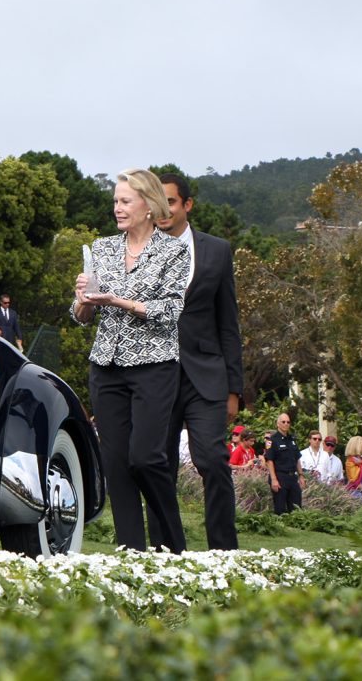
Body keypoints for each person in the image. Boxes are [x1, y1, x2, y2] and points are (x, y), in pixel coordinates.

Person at [71, 168, 190, 552]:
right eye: (115, 202)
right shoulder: (101, 248)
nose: (117, 209)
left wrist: (116, 300)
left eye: (125, 201)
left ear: (148, 205)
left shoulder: (174, 251)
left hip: (155, 365)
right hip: (106, 366)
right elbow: (82, 317)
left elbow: (170, 311)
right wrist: (83, 299)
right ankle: (131, 552)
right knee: (117, 465)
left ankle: (172, 544)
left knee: (146, 458)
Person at [157, 173, 244, 550]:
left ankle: (223, 551)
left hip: (206, 377)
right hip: (155, 376)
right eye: (158, 204)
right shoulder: (139, 250)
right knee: (158, 468)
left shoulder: (217, 250)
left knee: (212, 460)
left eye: (171, 203)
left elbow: (229, 323)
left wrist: (233, 388)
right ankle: (166, 551)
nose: (164, 211)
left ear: (187, 205)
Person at [266, 413, 303, 514]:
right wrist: (274, 480)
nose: (286, 424)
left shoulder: (292, 440)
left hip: (292, 478)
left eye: (288, 422)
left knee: (297, 509)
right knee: (280, 510)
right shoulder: (272, 440)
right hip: (280, 477)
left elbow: (297, 459)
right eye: (283, 422)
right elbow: (269, 461)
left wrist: (301, 475)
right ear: (278, 424)